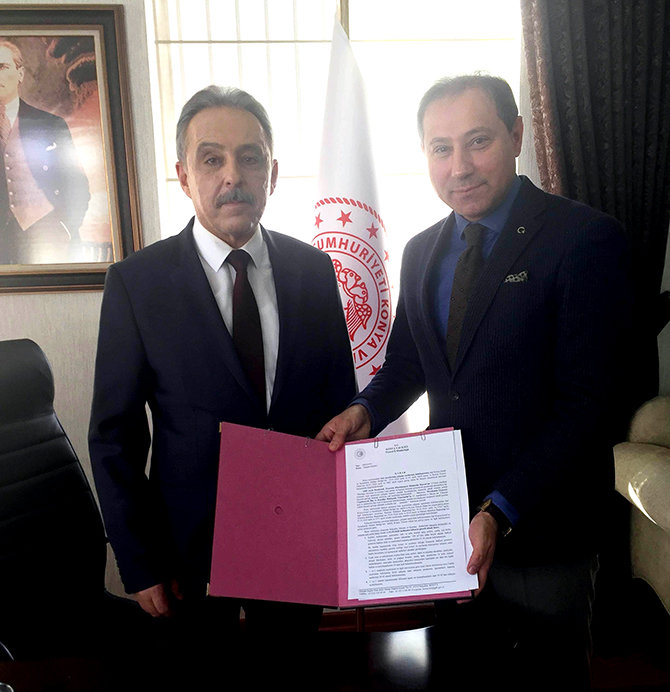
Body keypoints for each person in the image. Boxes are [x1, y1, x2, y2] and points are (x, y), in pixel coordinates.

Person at [317, 74, 630, 686]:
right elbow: (409, 362)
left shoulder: (585, 239)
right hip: (446, 525)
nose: (459, 166)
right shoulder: (420, 251)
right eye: (441, 148)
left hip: (546, 530)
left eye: (478, 141)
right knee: (461, 678)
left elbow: (587, 405)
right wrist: (364, 411)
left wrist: (500, 509)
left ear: (516, 135)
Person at [89, 85, 356, 638]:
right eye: (211, 159)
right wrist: (139, 561)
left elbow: (339, 407)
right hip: (186, 559)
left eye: (250, 158)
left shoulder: (314, 271)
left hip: (295, 545)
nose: (233, 175)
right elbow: (115, 439)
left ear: (272, 175)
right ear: (184, 177)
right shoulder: (137, 284)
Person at [0, 39, 90, 265]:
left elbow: (77, 183)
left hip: (47, 234)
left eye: (2, 67)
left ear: (20, 74)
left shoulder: (51, 124)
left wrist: (67, 226)